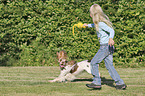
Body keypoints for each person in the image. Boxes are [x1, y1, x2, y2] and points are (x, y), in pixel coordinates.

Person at [83, 4, 127, 90]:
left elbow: (111, 30)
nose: (90, 15)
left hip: (105, 47)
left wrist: (111, 38)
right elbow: (94, 25)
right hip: (108, 47)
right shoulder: (98, 24)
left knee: (93, 62)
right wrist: (87, 25)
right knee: (109, 66)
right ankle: (120, 83)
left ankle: (96, 82)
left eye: (91, 13)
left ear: (93, 14)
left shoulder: (101, 24)